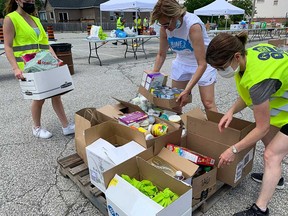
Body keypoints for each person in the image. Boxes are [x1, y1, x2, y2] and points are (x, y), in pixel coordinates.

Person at [206, 31, 288, 216]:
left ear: (236, 57)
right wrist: (230, 111)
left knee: (271, 155)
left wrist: (233, 150)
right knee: (269, 141)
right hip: (282, 104)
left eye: (221, 67)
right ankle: (277, 177)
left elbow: (262, 126)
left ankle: (260, 209)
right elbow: (249, 93)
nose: (220, 72)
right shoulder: (247, 55)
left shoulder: (258, 79)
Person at [3, 0, 75, 139]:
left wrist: (56, 60)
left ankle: (66, 126)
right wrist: (15, 68)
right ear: (18, 0)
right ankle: (36, 128)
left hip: (45, 63)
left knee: (56, 94)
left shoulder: (35, 19)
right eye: (27, 0)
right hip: (28, 66)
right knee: (39, 97)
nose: (30, 2)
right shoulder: (11, 18)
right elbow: (8, 46)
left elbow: (45, 44)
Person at [149, 0, 217, 112]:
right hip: (182, 61)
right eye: (162, 25)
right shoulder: (164, 28)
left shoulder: (192, 26)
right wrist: (153, 77)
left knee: (208, 103)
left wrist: (187, 91)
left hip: (202, 62)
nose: (165, 28)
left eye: (166, 24)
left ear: (176, 15)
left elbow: (202, 64)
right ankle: (177, 128)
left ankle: (215, 128)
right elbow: (161, 54)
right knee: (175, 102)